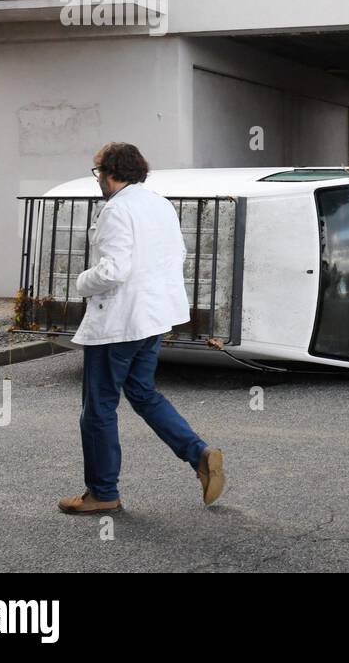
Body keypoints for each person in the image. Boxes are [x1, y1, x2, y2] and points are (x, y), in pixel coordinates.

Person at [57, 142, 225, 514]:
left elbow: (114, 270)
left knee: (98, 408)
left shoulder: (117, 210)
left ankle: (103, 493)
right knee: (143, 393)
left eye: (98, 170)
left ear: (111, 171)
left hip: (120, 322)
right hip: (153, 318)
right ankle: (199, 454)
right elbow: (177, 255)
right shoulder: (159, 204)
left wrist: (81, 282)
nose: (98, 178)